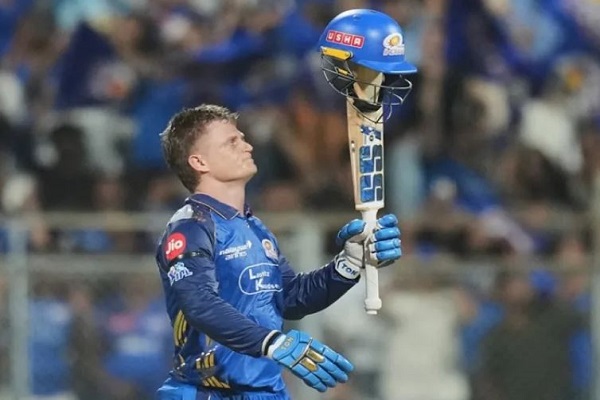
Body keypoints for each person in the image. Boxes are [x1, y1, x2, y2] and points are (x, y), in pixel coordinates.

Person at [154, 103, 403, 399]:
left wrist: (348, 263)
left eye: (242, 138)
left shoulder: (254, 227)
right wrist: (273, 342)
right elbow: (199, 304)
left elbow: (290, 298)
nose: (247, 146)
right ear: (199, 161)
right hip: (208, 391)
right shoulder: (190, 227)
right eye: (231, 142)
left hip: (266, 391)